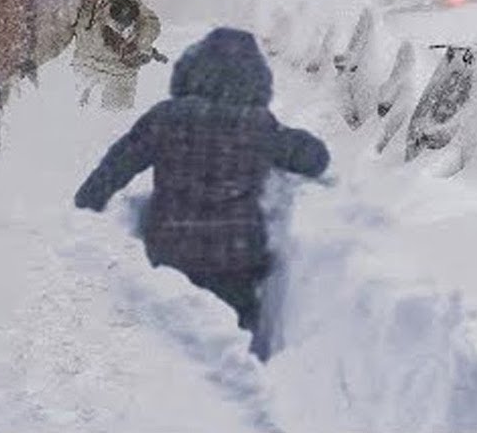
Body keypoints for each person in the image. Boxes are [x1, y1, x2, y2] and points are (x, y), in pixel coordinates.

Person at [74, 28, 330, 358]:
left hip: (170, 254)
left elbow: (116, 166)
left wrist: (85, 205)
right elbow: (315, 159)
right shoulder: (260, 127)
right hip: (235, 262)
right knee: (233, 345)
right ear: (256, 80)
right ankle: (244, 379)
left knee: (168, 349)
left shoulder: (166, 118)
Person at [70, 0, 162, 110]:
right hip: (86, 71)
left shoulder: (124, 2)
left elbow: (152, 23)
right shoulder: (78, 7)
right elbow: (57, 37)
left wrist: (139, 43)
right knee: (79, 122)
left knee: (111, 123)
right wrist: (35, 58)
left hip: (118, 74)